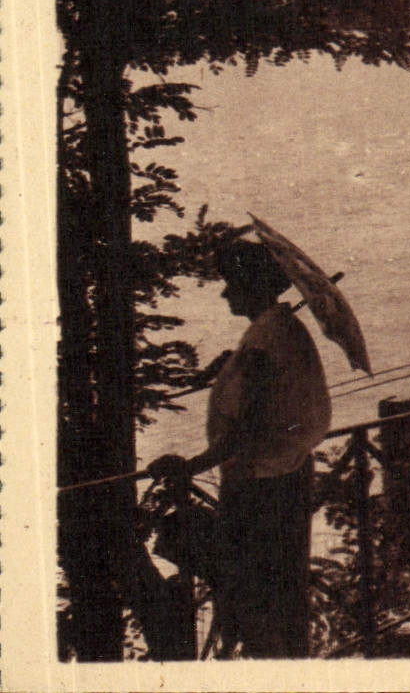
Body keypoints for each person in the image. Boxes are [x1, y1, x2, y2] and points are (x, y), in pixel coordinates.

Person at [146, 239, 332, 658]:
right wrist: (233, 363)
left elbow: (244, 431)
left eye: (231, 284)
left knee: (252, 600)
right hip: (286, 474)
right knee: (276, 596)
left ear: (250, 285)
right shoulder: (278, 329)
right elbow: (271, 392)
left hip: (259, 487)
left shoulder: (265, 341)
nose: (225, 292)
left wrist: (188, 466)